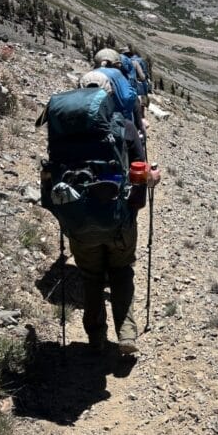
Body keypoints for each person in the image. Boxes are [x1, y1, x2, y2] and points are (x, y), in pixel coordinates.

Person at [72, 70, 161, 355]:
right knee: (121, 273)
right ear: (110, 95)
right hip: (119, 219)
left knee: (91, 276)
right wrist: (153, 177)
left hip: (80, 220)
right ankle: (126, 335)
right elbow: (141, 172)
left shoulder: (67, 129)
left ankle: (95, 338)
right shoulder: (125, 127)